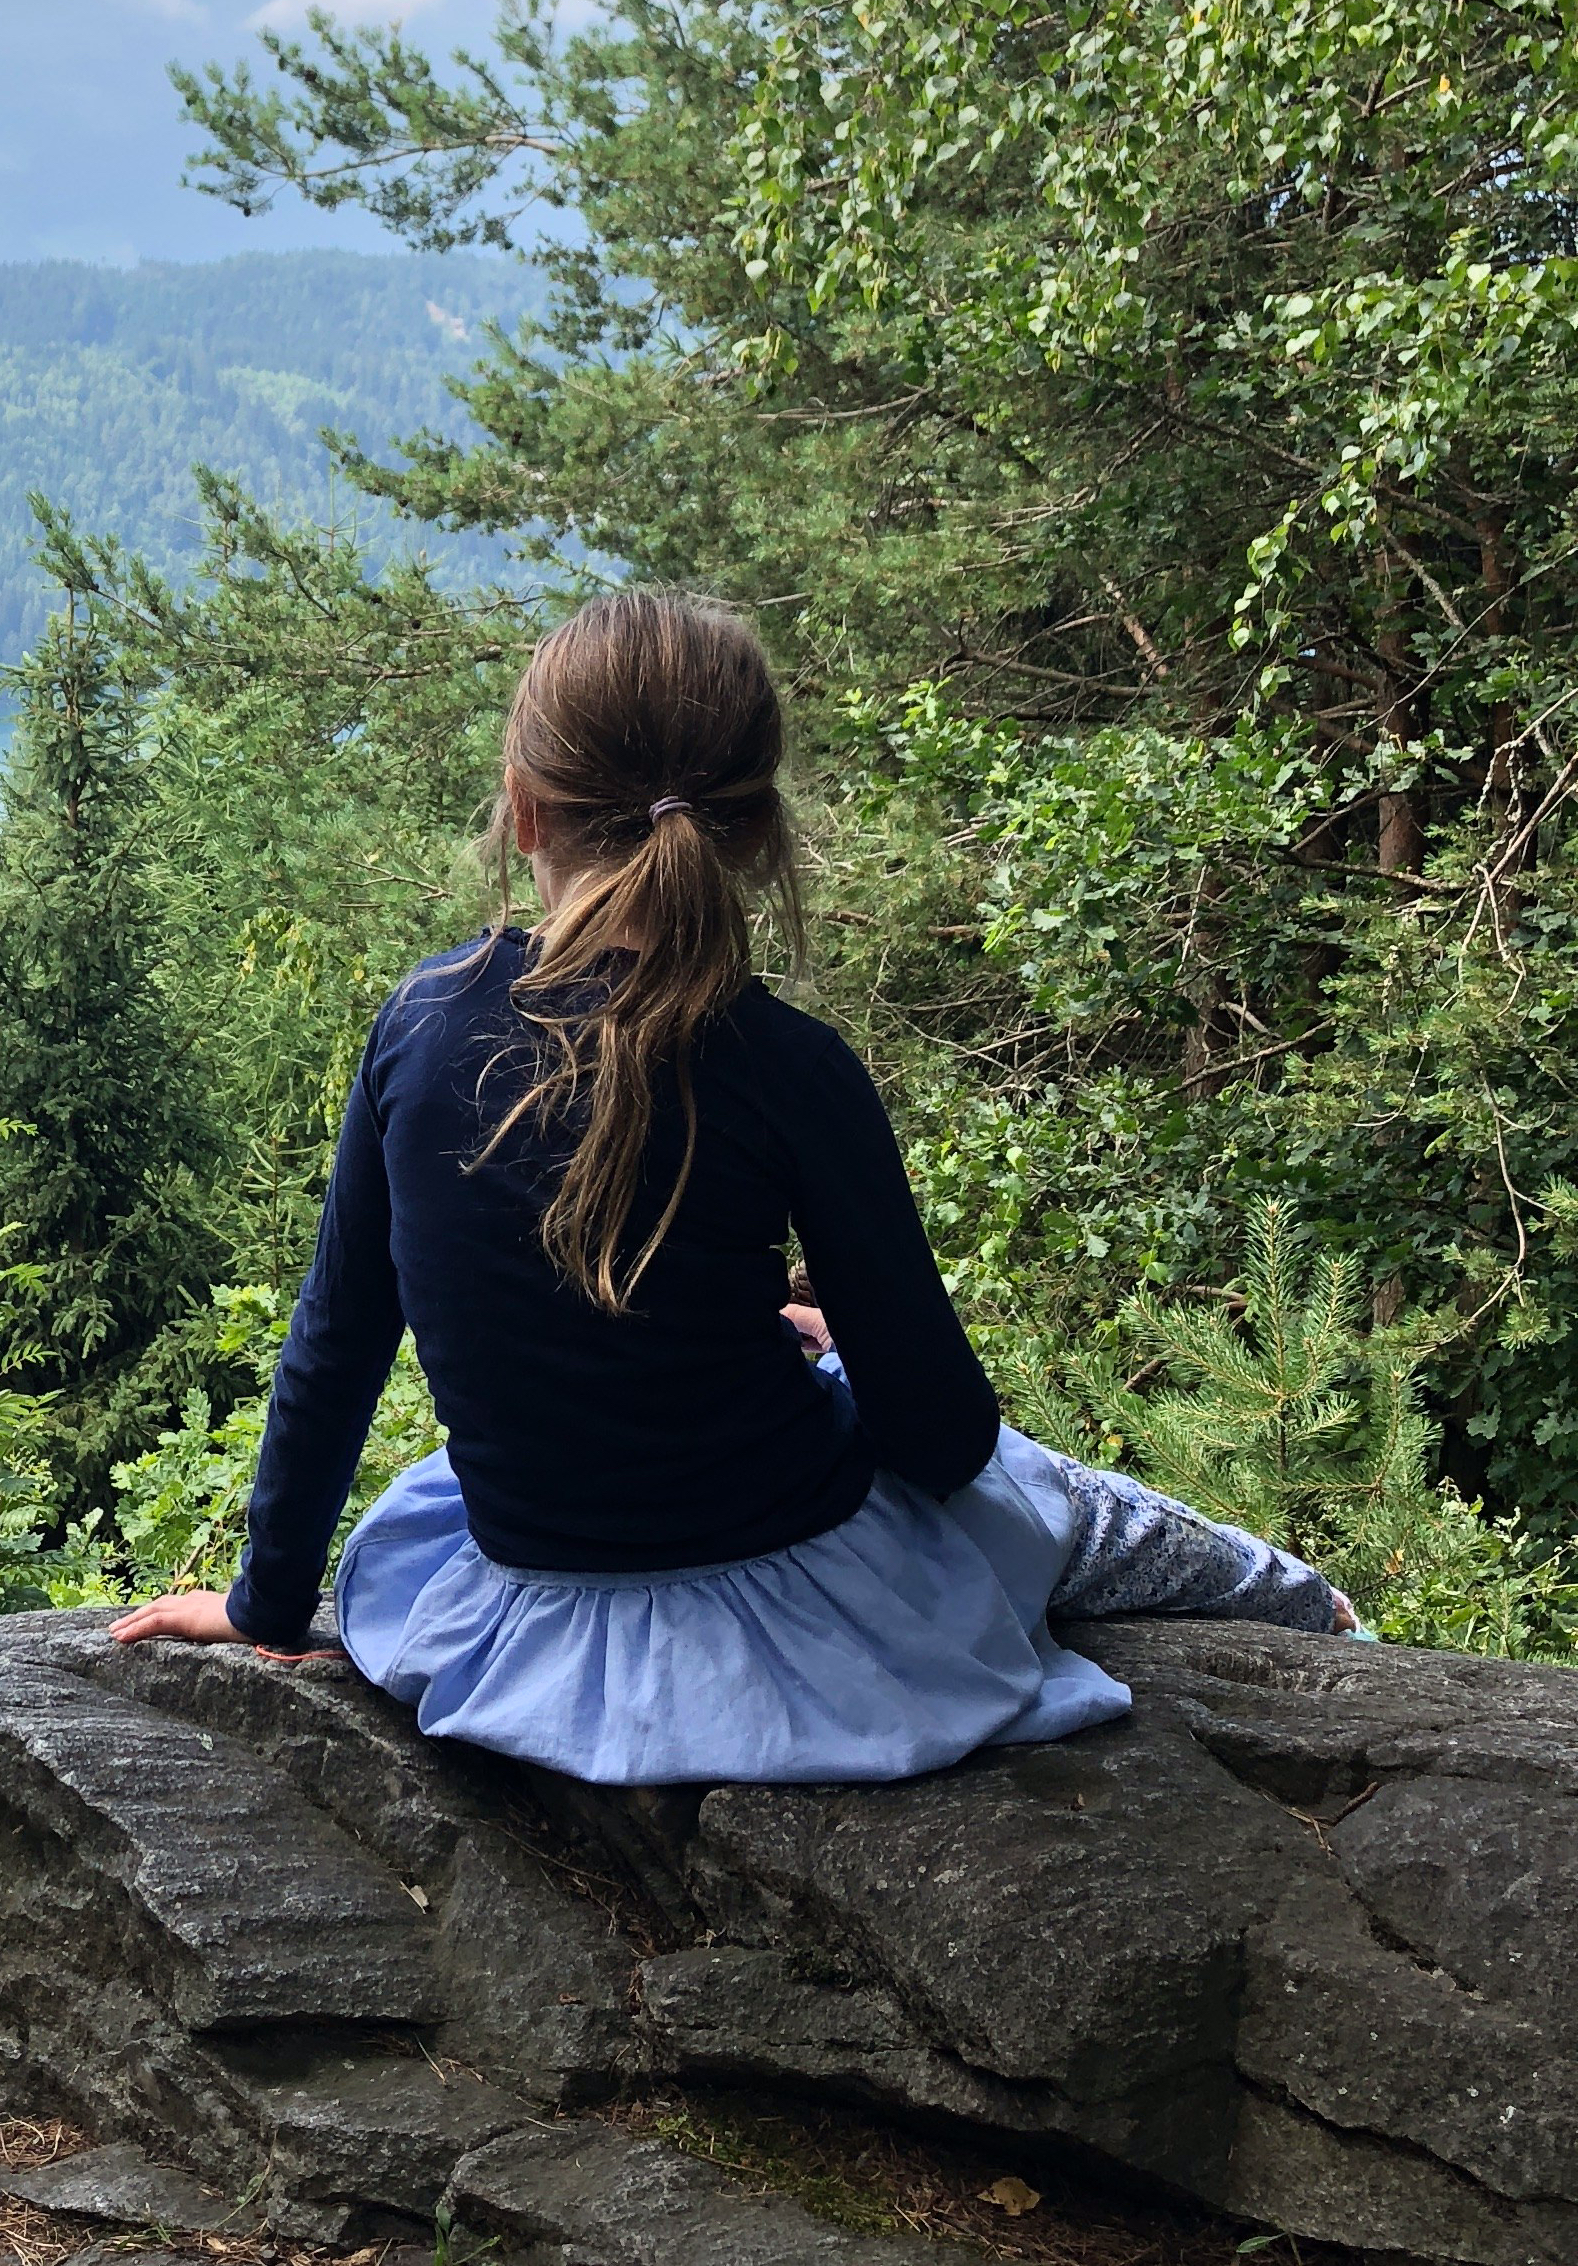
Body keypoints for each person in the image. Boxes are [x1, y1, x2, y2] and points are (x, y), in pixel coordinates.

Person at [113, 590, 1349, 1786]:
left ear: (526, 813)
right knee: (1058, 1499)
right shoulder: (797, 1068)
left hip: (523, 1603)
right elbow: (943, 1437)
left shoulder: (422, 1025)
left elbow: (337, 1342)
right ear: (755, 832)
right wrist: (831, 1357)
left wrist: (264, 1601)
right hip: (796, 1610)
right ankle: (1319, 1617)